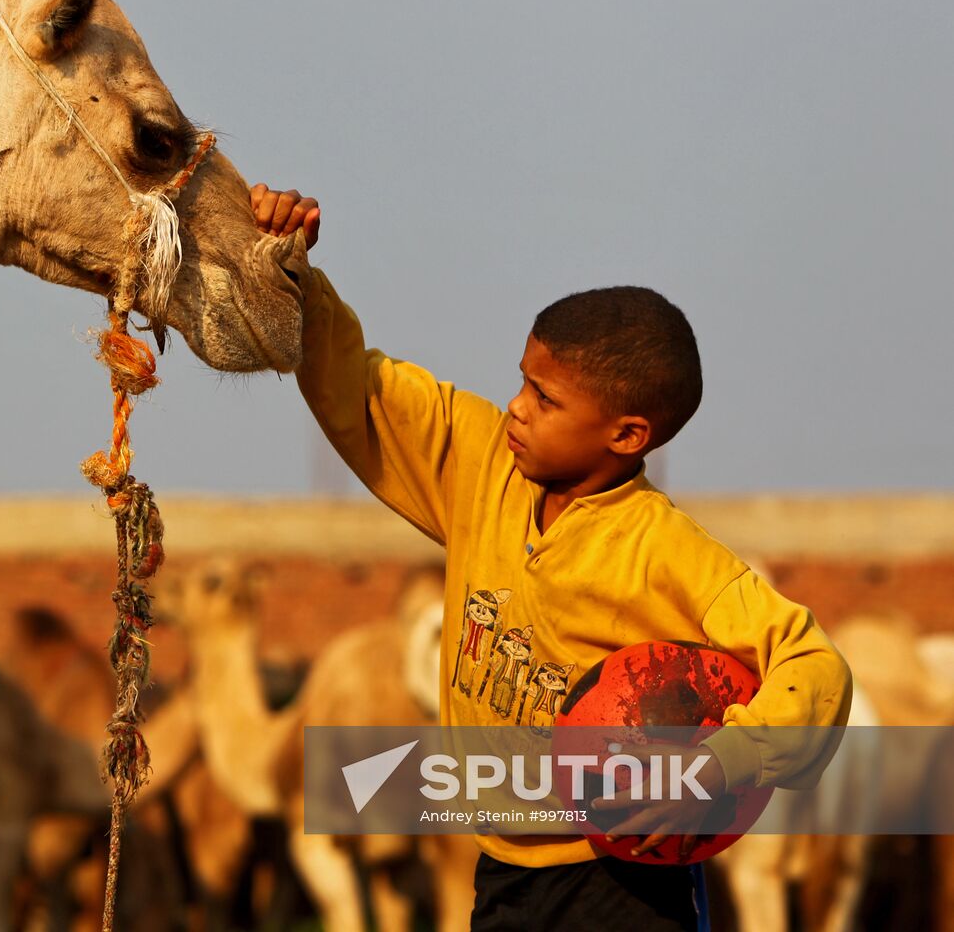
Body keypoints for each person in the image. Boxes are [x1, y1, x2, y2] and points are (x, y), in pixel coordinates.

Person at [248, 184, 852, 930]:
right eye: (523, 382)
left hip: (624, 886)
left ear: (627, 435)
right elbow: (360, 386)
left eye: (545, 398)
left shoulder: (666, 553)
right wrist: (289, 269)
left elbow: (815, 667)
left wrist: (721, 763)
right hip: (503, 874)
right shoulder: (479, 468)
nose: (517, 407)